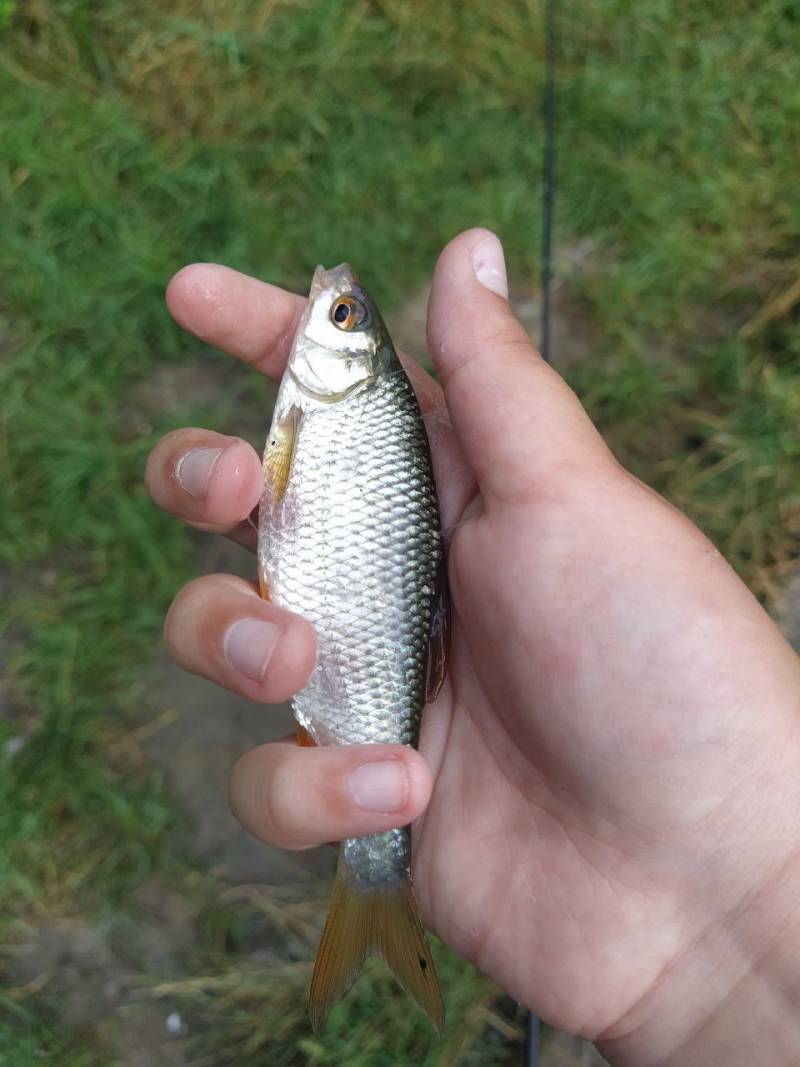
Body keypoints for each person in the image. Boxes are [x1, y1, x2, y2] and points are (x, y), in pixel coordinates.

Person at [145, 230, 800, 1065]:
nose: (329, 303)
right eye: (345, 314)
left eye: (339, 314)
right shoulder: (339, 408)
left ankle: (375, 881)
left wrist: (766, 882)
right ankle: (376, 877)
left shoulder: (339, 409)